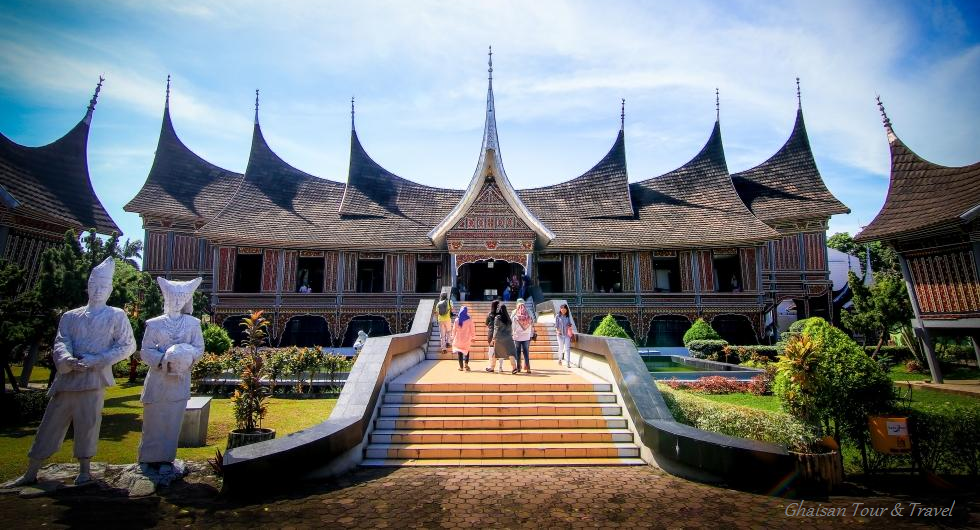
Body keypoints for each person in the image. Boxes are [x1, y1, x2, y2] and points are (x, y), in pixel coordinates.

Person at [12, 258, 136, 486]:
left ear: (109, 290)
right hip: (67, 377)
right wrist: (67, 359)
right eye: (94, 286)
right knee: (50, 423)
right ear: (87, 287)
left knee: (88, 423)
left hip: (93, 378)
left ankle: (85, 470)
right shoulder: (70, 316)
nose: (98, 291)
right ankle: (31, 470)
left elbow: (127, 345)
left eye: (103, 287)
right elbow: (61, 342)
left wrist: (98, 360)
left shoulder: (116, 315)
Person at [138, 277, 206, 473]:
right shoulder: (155, 324)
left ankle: (167, 459)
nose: (177, 302)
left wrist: (186, 356)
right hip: (158, 378)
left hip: (180, 378)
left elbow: (199, 348)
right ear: (167, 298)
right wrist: (164, 360)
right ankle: (148, 458)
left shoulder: (193, 324)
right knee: (153, 419)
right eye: (173, 297)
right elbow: (146, 350)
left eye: (181, 298)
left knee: (173, 420)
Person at [491, 303, 519, 374]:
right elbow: (510, 329)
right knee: (511, 353)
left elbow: (496, 329)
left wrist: (493, 339)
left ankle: (492, 367)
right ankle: (514, 368)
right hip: (508, 338)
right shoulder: (508, 318)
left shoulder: (497, 317)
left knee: (495, 353)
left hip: (499, 338)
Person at [511, 299, 534, 373]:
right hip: (527, 336)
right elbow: (531, 324)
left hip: (517, 336)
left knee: (517, 352)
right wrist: (531, 333)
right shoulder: (529, 312)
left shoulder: (515, 313)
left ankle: (518, 368)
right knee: (526, 352)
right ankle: (528, 368)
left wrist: (513, 333)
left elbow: (512, 325)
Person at [452, 306, 475, 371]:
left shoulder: (457, 320)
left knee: (460, 353)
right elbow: (472, 329)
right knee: (466, 351)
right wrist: (473, 337)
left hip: (458, 339)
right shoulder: (469, 319)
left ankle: (461, 367)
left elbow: (454, 330)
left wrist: (452, 337)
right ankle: (466, 364)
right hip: (466, 339)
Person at [555, 304, 574, 368]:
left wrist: (569, 326)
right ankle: (560, 359)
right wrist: (558, 331)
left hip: (567, 335)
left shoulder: (567, 316)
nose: (563, 310)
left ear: (566, 310)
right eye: (562, 309)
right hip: (560, 335)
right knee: (561, 348)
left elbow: (569, 324)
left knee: (567, 348)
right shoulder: (558, 316)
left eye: (564, 309)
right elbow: (556, 325)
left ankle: (568, 362)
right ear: (560, 309)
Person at [484, 299, 501, 372]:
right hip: (500, 334)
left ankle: (491, 366)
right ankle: (500, 367)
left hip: (491, 334)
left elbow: (486, 323)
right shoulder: (501, 314)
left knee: (491, 350)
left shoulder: (489, 314)